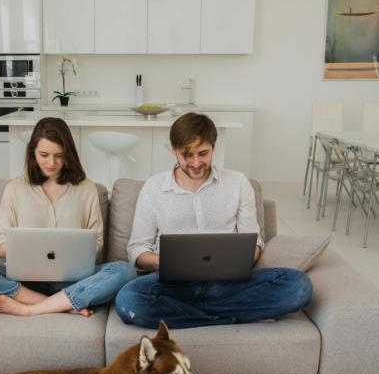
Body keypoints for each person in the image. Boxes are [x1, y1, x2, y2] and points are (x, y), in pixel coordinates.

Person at [114, 112, 312, 329]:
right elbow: (136, 249)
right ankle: (230, 316)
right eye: (187, 155)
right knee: (128, 299)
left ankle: (191, 316)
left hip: (229, 285)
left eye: (203, 153)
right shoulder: (153, 188)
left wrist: (237, 260)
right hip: (174, 287)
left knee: (299, 286)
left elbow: (255, 243)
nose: (196, 163)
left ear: (214, 147)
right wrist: (164, 262)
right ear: (174, 151)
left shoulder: (237, 183)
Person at [0, 117, 137, 317]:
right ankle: (61, 304)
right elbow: (0, 246)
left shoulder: (87, 188)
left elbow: (97, 243)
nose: (51, 162)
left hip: (73, 280)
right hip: (24, 280)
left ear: (69, 155)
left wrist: (70, 250)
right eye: (44, 155)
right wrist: (31, 248)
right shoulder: (14, 189)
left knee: (125, 271)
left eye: (59, 155)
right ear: (32, 153)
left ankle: (29, 308)